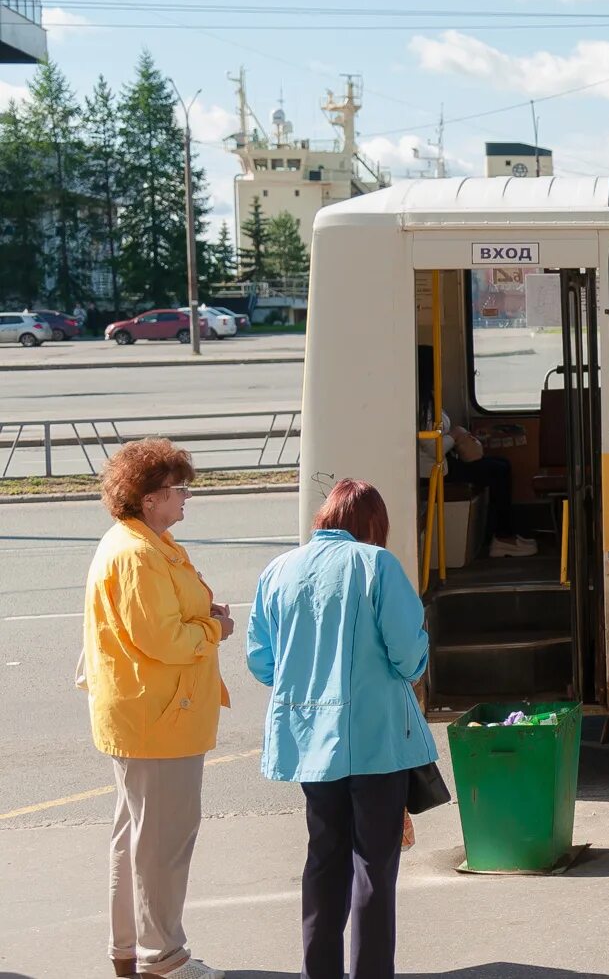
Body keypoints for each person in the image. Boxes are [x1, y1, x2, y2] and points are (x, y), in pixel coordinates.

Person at [247, 480, 435, 979]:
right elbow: (408, 655)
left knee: (323, 859)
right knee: (374, 866)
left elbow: (262, 662)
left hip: (309, 742)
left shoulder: (278, 570)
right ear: (373, 525)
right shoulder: (376, 565)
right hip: (375, 741)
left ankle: (320, 972)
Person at [82, 438, 232, 979]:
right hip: (160, 716)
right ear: (149, 498)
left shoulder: (142, 542)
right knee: (163, 847)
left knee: (137, 839)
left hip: (147, 714)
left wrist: (202, 613)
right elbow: (163, 639)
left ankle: (132, 950)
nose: (186, 497)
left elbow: (160, 620)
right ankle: (162, 959)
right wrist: (214, 627)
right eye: (178, 489)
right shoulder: (139, 552)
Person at [415, 345, 535, 558]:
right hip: (434, 471)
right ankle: (502, 537)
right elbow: (435, 449)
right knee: (498, 472)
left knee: (501, 465)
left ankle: (499, 534)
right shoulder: (422, 405)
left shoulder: (428, 400)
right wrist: (458, 435)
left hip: (442, 465)